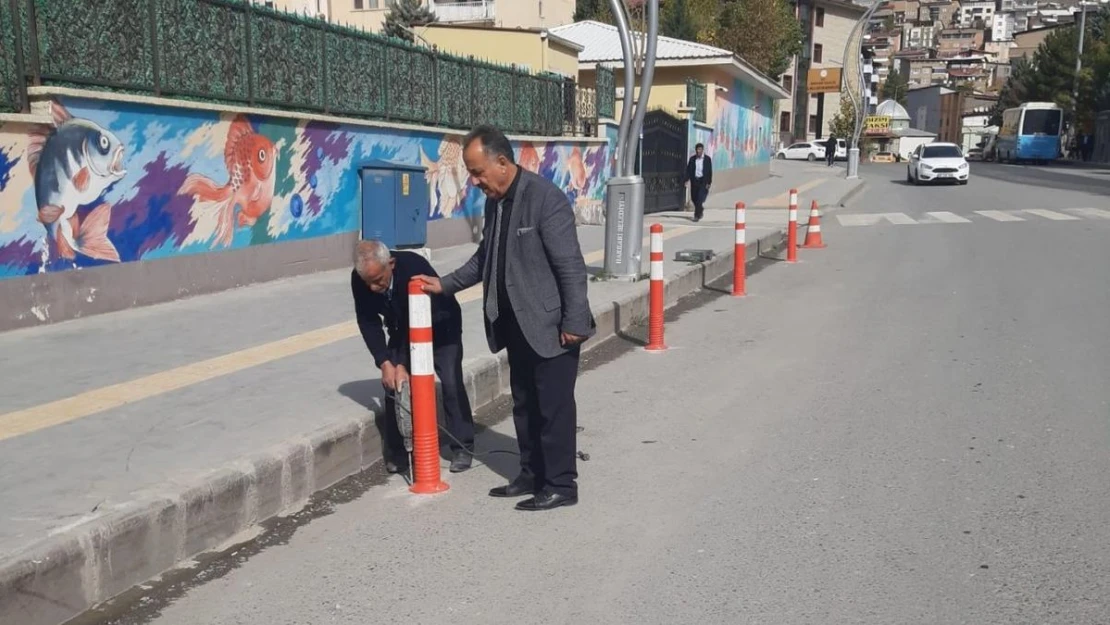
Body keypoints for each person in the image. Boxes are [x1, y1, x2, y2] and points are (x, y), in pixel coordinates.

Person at [415, 124, 595, 512]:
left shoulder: (545, 199)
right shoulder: (495, 201)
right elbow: (486, 258)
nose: (475, 182)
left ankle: (561, 484)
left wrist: (575, 322)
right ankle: (531, 473)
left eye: (478, 172)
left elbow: (570, 267)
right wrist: (444, 284)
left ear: (501, 162)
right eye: (471, 173)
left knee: (554, 407)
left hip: (552, 325)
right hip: (515, 325)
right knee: (525, 404)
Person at [351, 240, 475, 475]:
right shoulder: (360, 280)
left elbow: (419, 315)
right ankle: (398, 452)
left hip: (440, 323)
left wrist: (404, 364)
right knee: (393, 386)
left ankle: (462, 446)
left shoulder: (412, 267)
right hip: (402, 329)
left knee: (450, 381)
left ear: (391, 264)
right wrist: (385, 362)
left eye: (378, 280)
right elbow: (367, 321)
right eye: (369, 283)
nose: (374, 288)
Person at [684, 143, 712, 222]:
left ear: (702, 150)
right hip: (694, 181)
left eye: (700, 149)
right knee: (694, 198)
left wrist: (709, 183)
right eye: (697, 149)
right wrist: (686, 179)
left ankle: (697, 215)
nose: (698, 151)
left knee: (700, 199)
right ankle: (700, 209)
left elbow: (709, 172)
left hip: (703, 181)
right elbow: (688, 170)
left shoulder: (707, 159)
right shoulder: (692, 159)